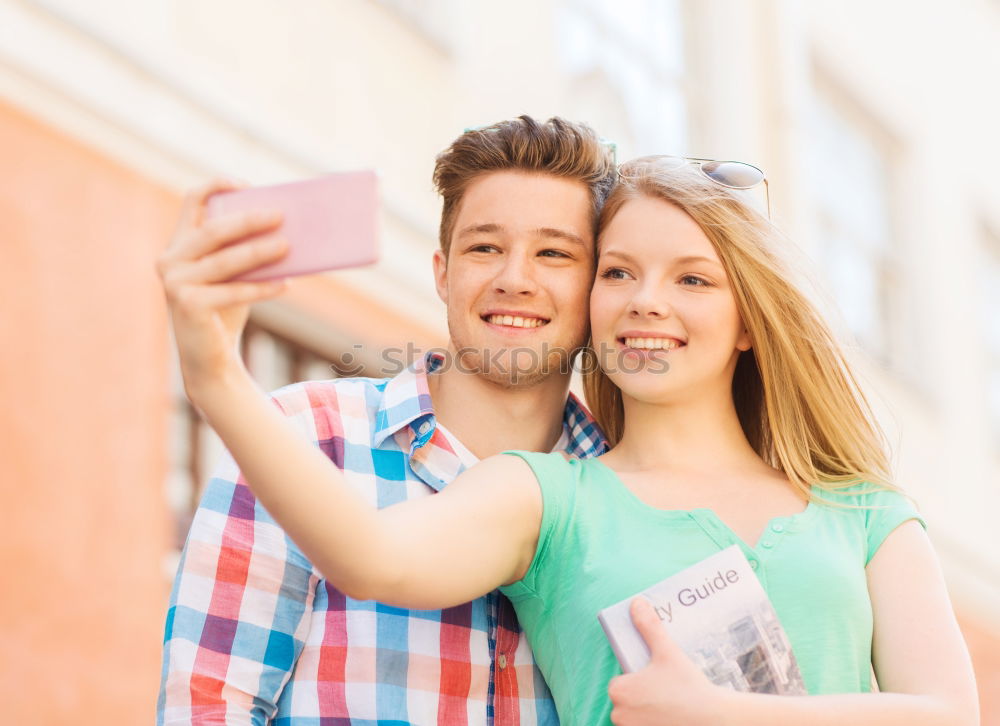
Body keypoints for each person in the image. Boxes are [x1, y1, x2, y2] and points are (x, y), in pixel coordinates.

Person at [160, 154, 981, 726]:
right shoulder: (551, 493)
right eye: (619, 273)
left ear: (748, 326)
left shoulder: (863, 509)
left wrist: (727, 717)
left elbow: (949, 715)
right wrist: (218, 381)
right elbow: (375, 556)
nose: (645, 301)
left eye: (691, 279)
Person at [155, 116, 617, 725]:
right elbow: (211, 708)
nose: (514, 279)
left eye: (554, 253)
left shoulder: (624, 485)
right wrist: (214, 370)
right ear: (442, 273)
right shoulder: (302, 438)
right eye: (485, 247)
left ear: (599, 284)